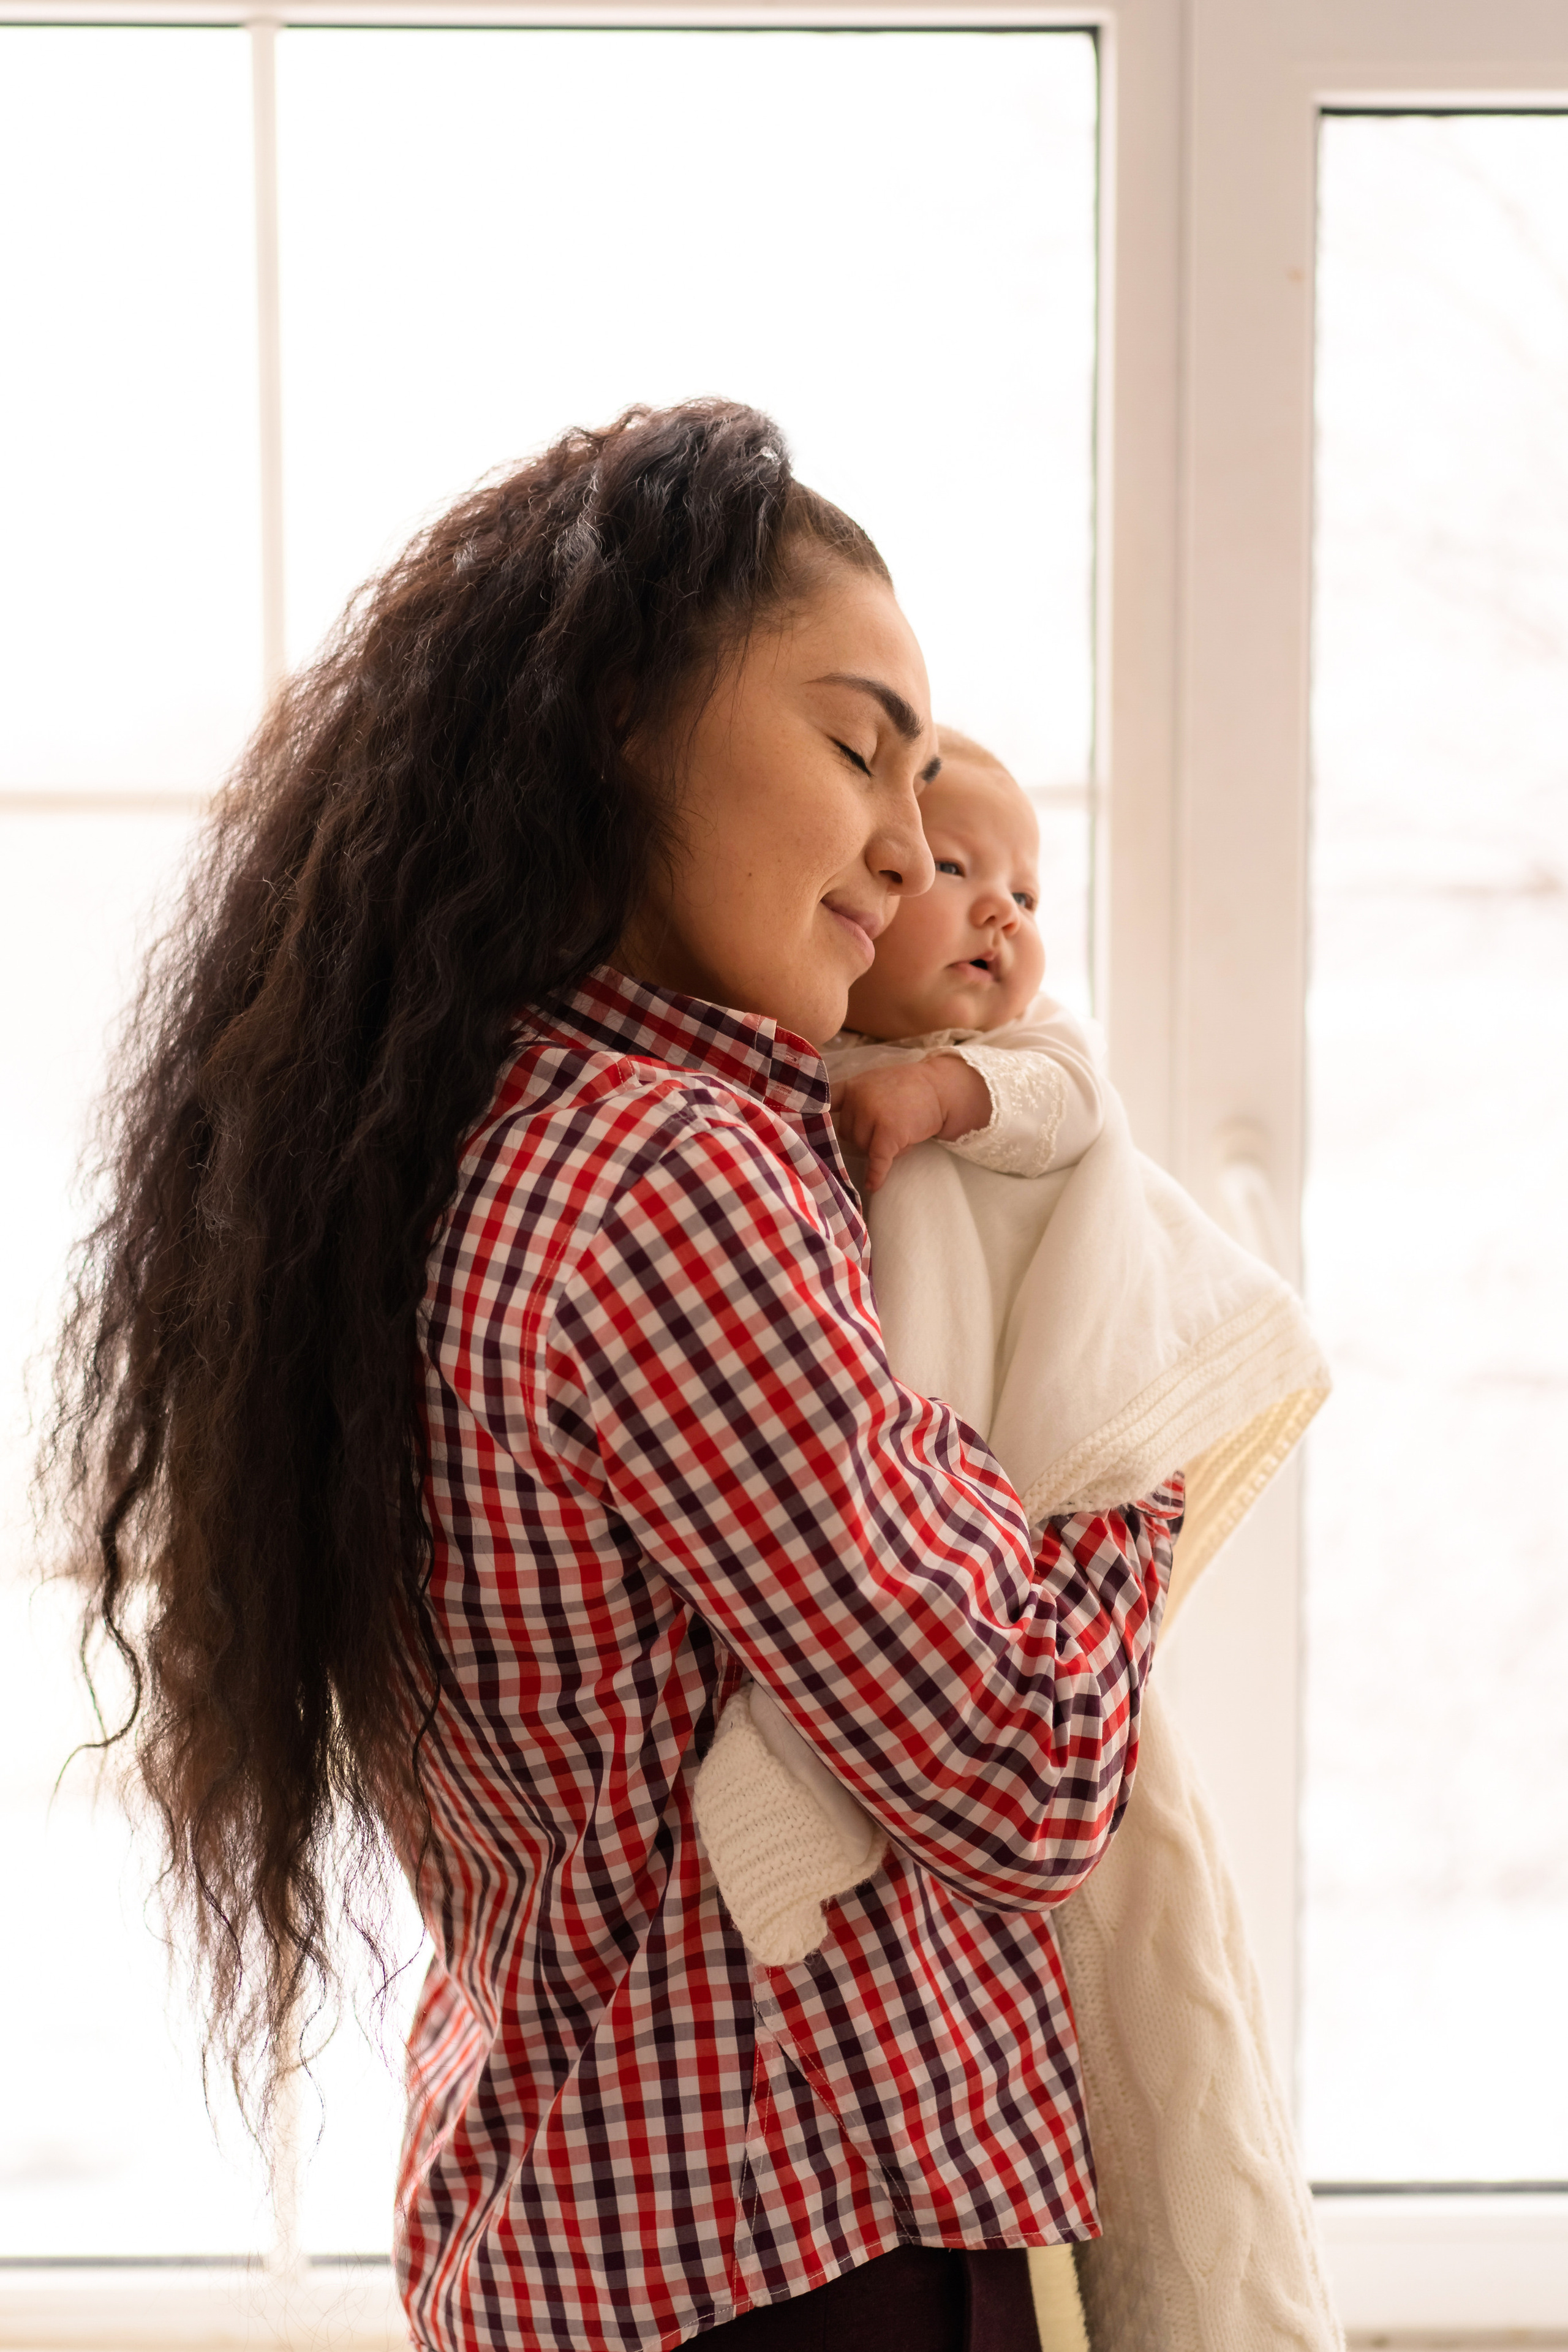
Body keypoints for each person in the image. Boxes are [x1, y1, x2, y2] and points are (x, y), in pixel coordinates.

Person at [49, 401, 1183, 2352]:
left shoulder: (450, 1124)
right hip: (793, 2249)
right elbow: (1027, 1765)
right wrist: (1141, 1474)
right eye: (857, 747)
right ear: (625, 717)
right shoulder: (666, 1173)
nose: (912, 851)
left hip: (594, 2225)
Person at [692, 732, 1341, 2349]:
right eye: (949, 872)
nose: (999, 914)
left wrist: (934, 1087)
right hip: (912, 1583)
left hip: (1036, 1524)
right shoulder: (764, 1109)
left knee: (1158, 1985)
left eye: (1030, 888)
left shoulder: (1014, 1076)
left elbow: (1065, 1093)